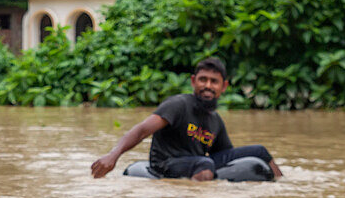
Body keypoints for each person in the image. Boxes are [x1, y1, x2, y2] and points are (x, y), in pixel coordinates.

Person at [90, 57, 283, 181]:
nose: (207, 85)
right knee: (204, 163)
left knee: (260, 150)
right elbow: (141, 130)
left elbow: (226, 156)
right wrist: (112, 155)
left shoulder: (215, 121)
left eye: (213, 82)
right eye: (203, 80)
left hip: (196, 162)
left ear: (223, 87)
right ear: (193, 81)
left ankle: (282, 188)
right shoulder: (178, 105)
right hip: (166, 164)